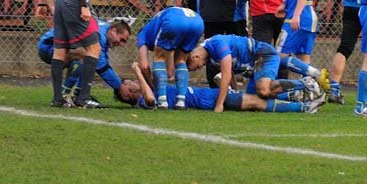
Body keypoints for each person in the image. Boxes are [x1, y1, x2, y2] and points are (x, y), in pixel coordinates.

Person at [186, 34, 324, 112]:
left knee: (263, 90)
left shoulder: (216, 44)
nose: (199, 68)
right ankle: (296, 95)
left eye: (195, 67)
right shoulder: (211, 56)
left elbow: (226, 74)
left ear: (195, 57)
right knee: (255, 102)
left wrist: (219, 104)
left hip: (262, 54)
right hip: (253, 67)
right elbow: (230, 73)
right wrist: (236, 91)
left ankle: (305, 83)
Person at [121, 63, 324, 113]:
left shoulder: (154, 89)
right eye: (128, 83)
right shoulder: (144, 100)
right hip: (206, 100)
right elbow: (148, 99)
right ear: (130, 93)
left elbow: (151, 80)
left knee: (256, 96)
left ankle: (302, 93)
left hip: (208, 94)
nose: (131, 81)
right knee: (257, 102)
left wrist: (142, 72)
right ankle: (304, 106)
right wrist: (137, 73)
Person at [37, 20, 132, 105]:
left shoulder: (104, 30)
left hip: (54, 44)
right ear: (113, 31)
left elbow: (103, 62)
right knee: (85, 55)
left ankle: (78, 95)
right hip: (48, 46)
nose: (121, 44)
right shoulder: (100, 35)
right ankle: (66, 94)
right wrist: (119, 86)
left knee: (90, 58)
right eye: (122, 40)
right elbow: (101, 66)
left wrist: (118, 84)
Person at [136, 6, 204, 110]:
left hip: (174, 21)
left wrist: (151, 85)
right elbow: (170, 72)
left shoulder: (142, 34)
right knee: (181, 60)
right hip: (197, 21)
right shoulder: (155, 25)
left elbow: (144, 66)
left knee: (159, 58)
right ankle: (181, 101)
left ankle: (162, 101)